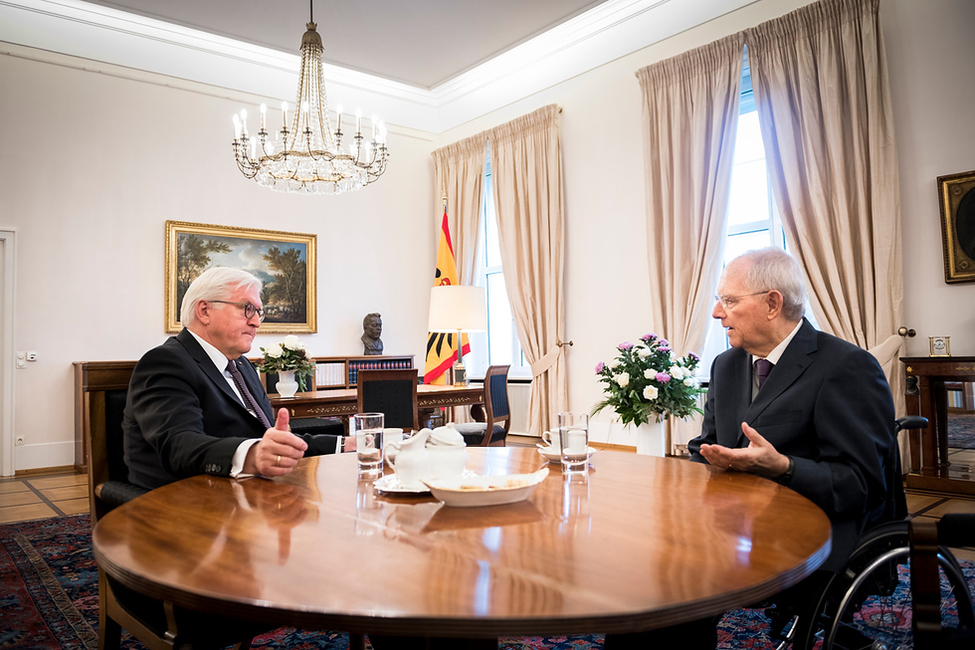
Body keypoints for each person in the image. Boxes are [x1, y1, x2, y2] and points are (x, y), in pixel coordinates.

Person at [607, 247, 896, 649]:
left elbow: (862, 486)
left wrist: (784, 467)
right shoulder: (725, 366)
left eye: (728, 300)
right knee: (645, 577)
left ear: (772, 303)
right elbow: (705, 445)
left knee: (679, 585)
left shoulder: (846, 367)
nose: (716, 313)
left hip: (810, 533)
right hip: (731, 525)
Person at [123, 267, 342, 491]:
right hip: (185, 504)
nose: (256, 322)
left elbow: (269, 441)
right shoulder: (165, 362)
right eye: (247, 309)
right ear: (205, 311)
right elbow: (180, 445)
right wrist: (253, 456)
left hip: (247, 494)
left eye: (259, 312)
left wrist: (345, 445)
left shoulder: (242, 366)